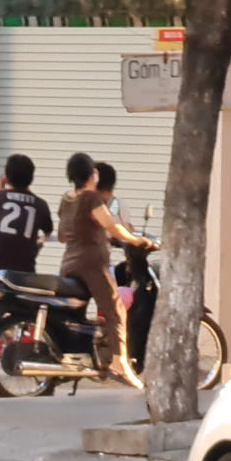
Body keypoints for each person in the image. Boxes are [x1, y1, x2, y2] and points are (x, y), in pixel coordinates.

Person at [59, 161, 155, 387]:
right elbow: (110, 224)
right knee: (116, 309)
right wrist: (134, 239)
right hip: (91, 263)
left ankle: (79, 356)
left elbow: (62, 234)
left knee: (77, 313)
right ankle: (119, 364)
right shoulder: (90, 198)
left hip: (69, 263)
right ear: (93, 175)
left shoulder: (66, 199)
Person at [0, 153, 53, 307]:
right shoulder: (40, 204)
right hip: (25, 271)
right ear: (31, 178)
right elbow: (47, 232)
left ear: (6, 177)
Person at [56, 152, 94, 246]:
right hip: (90, 256)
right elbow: (110, 226)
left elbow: (61, 236)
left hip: (70, 257)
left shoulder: (66, 199)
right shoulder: (92, 199)